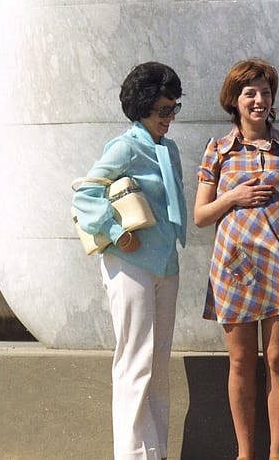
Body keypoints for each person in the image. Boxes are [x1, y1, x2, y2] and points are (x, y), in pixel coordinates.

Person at [194, 58, 279, 460]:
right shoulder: (218, 149)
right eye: (250, 92)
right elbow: (200, 216)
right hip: (234, 269)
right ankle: (245, 453)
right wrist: (232, 197)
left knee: (277, 358)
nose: (259, 100)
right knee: (240, 361)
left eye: (266, 92)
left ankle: (278, 453)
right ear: (234, 99)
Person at [72, 62, 188, 460]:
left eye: (174, 109)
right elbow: (85, 195)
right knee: (134, 363)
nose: (169, 118)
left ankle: (154, 453)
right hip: (130, 262)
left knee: (157, 366)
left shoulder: (167, 147)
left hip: (165, 265)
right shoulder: (124, 145)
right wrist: (116, 230)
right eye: (163, 111)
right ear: (141, 109)